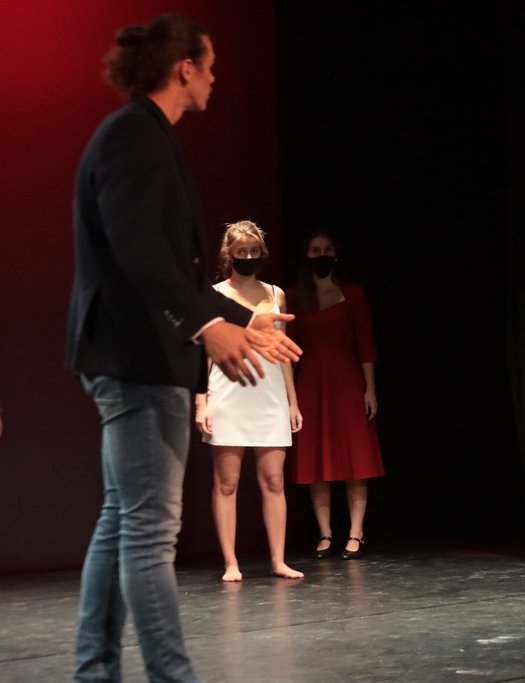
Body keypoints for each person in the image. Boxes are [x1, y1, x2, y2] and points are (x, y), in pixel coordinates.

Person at [64, 14, 301, 682]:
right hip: (135, 357)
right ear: (184, 69)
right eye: (211, 66)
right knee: (148, 528)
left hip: (135, 356)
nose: (216, 78)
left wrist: (244, 319)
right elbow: (138, 249)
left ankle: (93, 671)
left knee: (124, 520)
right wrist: (206, 327)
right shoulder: (133, 135)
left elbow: (176, 269)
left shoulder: (147, 135)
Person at [195, 221, 304, 582]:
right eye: (241, 251)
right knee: (227, 482)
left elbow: (283, 352)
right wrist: (202, 402)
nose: (248, 257)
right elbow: (203, 354)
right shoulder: (214, 294)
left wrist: (292, 401)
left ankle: (278, 560)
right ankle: (231, 562)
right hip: (227, 392)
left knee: (274, 480)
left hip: (269, 394)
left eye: (254, 251)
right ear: (228, 254)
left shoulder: (275, 294)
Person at [287, 231, 384, 560]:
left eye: (327, 249)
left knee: (356, 457)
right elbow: (290, 351)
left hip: (347, 381)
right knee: (317, 456)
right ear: (306, 256)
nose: (322, 255)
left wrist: (370, 388)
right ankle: (325, 533)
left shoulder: (352, 293)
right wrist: (290, 397)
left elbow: (365, 343)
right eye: (315, 250)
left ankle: (356, 533)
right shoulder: (295, 297)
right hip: (311, 384)